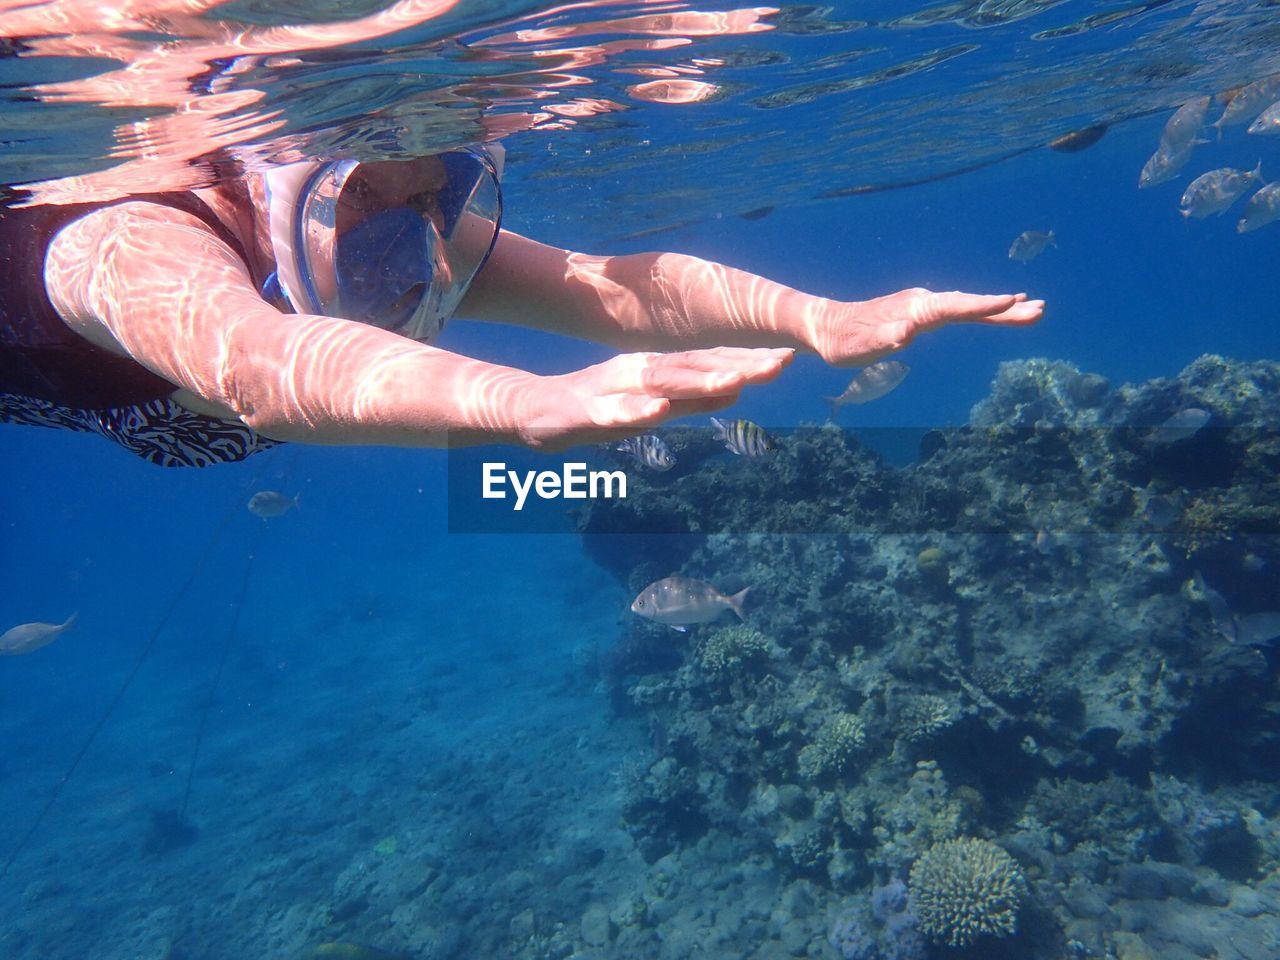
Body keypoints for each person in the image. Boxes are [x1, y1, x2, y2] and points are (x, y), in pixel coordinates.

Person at [0, 141, 1043, 467]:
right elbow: (256, 369)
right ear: (269, 168)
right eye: (367, 194)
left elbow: (608, 291)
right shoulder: (124, 237)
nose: (411, 244)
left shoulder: (384, 224)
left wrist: (817, 319)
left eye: (437, 189)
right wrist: (522, 403)